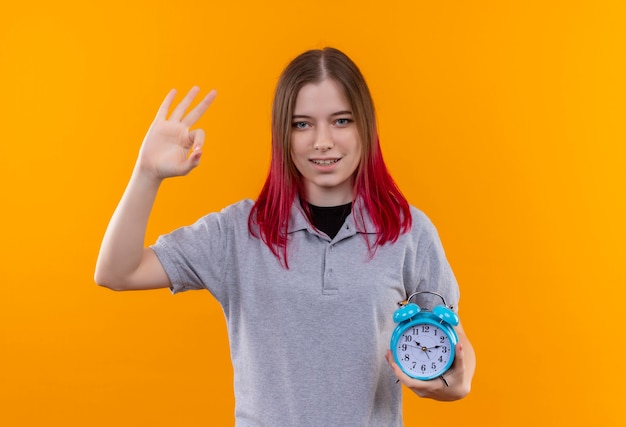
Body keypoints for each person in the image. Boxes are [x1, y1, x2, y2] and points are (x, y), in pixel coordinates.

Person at [95, 47, 476, 426]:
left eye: (341, 121)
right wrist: (147, 174)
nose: (322, 141)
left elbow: (454, 339)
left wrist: (457, 382)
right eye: (302, 124)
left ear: (365, 126)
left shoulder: (407, 230)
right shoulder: (238, 232)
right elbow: (117, 272)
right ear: (283, 133)